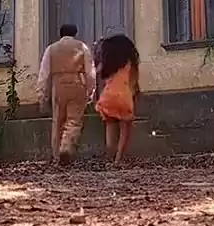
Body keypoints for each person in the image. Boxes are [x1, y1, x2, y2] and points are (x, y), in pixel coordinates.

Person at [37, 23, 96, 165]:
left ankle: (57, 155)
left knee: (58, 121)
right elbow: (90, 72)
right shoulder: (82, 47)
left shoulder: (51, 49)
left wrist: (42, 94)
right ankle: (66, 147)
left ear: (60, 34)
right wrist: (91, 90)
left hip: (58, 86)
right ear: (75, 33)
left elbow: (44, 74)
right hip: (77, 84)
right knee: (74, 120)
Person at [95, 34, 140, 164]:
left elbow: (100, 76)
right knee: (125, 131)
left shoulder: (108, 65)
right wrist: (135, 95)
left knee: (110, 128)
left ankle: (110, 156)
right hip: (123, 96)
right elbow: (133, 82)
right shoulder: (130, 63)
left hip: (107, 97)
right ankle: (119, 159)